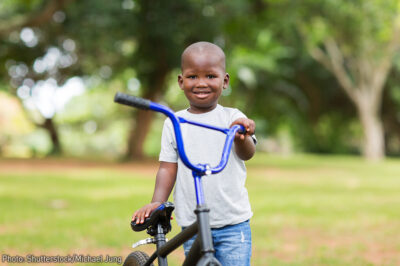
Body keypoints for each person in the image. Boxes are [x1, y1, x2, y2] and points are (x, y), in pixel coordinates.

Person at [131, 41, 256, 265]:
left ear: (224, 81)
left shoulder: (232, 117)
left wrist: (242, 135)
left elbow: (247, 153)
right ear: (181, 81)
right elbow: (168, 167)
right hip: (193, 225)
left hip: (233, 224)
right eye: (192, 77)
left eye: (210, 76)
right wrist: (157, 202)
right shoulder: (175, 122)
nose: (201, 83)